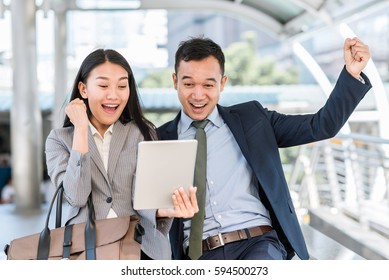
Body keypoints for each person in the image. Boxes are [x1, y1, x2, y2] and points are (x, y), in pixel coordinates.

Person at [158, 36, 372, 260]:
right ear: (175, 81)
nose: (198, 95)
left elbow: (321, 126)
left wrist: (352, 73)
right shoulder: (159, 139)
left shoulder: (253, 119)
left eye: (208, 85)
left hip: (257, 244)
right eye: (189, 84)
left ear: (222, 83)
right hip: (198, 256)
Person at [45, 49, 198, 260]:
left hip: (141, 247)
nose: (113, 95)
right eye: (103, 85)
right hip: (86, 250)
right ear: (83, 89)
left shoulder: (142, 132)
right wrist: (81, 129)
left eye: (122, 86)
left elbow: (145, 196)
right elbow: (77, 196)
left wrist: (164, 210)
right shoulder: (59, 139)